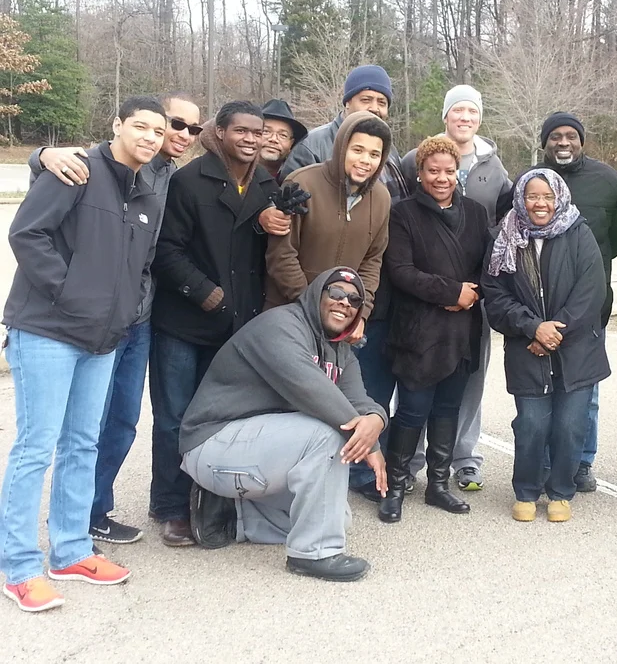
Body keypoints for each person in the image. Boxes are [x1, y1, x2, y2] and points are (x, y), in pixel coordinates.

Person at [0, 96, 166, 613]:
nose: (150, 137)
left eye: (158, 132)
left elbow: (144, 264)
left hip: (102, 340)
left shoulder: (148, 194)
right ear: (116, 125)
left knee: (82, 444)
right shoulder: (74, 169)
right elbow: (27, 233)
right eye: (141, 126)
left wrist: (128, 308)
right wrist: (71, 293)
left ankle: (70, 550)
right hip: (48, 330)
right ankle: (17, 565)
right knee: (36, 446)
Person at [24, 91, 202, 545]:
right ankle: (57, 530)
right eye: (172, 125)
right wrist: (40, 153)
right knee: (69, 431)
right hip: (80, 317)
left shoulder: (172, 179)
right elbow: (37, 220)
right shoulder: (95, 166)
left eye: (189, 130)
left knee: (120, 421)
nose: (180, 135)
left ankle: (92, 511)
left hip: (134, 319)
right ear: (122, 124)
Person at [179, 268, 387, 580]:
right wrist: (366, 440)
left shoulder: (342, 352)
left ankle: (232, 516)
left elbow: (359, 401)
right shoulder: (280, 326)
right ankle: (314, 554)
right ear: (317, 293)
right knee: (329, 435)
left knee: (335, 517)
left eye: (354, 299)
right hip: (212, 443)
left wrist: (376, 420)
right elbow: (313, 391)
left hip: (257, 453)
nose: (345, 303)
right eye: (336, 293)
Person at [148, 101, 283, 547]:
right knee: (174, 417)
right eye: (241, 130)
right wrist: (203, 291)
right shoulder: (190, 181)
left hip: (236, 326)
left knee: (219, 420)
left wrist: (278, 221)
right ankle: (170, 506)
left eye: (258, 132)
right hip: (184, 322)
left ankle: (211, 499)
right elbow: (166, 250)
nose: (251, 139)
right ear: (220, 132)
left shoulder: (266, 184)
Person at [502, 112, 617, 492]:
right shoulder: (527, 181)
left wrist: (594, 263)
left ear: (582, 140)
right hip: (533, 314)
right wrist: (533, 326)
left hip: (586, 308)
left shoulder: (607, 179)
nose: (563, 142)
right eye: (555, 136)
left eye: (571, 136)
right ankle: (541, 465)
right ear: (545, 142)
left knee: (582, 398)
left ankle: (580, 463)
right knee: (538, 401)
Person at [399, 85, 512, 492]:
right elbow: (401, 223)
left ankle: (463, 459)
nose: (465, 117)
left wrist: (476, 289)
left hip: (471, 297)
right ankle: (409, 463)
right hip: (424, 296)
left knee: (468, 380)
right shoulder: (417, 158)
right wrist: (442, 291)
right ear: (446, 116)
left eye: (472, 111)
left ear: (479, 118)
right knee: (417, 382)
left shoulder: (494, 168)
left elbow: (501, 232)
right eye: (457, 110)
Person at [481, 170, 609, 522]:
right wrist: (534, 328)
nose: (540, 203)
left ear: (559, 198)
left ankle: (561, 491)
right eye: (532, 196)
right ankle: (525, 489)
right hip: (527, 347)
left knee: (570, 425)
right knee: (532, 424)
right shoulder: (503, 237)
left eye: (547, 196)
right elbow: (495, 296)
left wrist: (555, 333)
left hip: (577, 350)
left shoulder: (578, 233)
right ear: (521, 198)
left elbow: (592, 291)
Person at [378, 136, 490, 523]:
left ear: (458, 171)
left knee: (448, 409)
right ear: (419, 172)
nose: (441, 178)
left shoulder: (475, 213)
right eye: (432, 171)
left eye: (448, 170)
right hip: (419, 330)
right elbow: (402, 272)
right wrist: (450, 291)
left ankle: (438, 485)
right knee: (412, 410)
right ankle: (394, 485)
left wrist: (469, 294)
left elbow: (487, 265)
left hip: (462, 327)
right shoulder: (402, 213)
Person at [265, 111, 392, 320]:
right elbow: (281, 255)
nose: (365, 160)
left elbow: (372, 261)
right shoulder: (302, 183)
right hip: (288, 313)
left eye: (374, 154)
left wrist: (360, 313)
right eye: (357, 150)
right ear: (342, 148)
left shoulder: (381, 199)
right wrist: (313, 306)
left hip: (341, 318)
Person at [279, 65, 405, 192]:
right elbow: (290, 200)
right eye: (366, 100)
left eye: (382, 103)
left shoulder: (389, 149)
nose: (374, 108)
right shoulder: (312, 147)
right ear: (347, 103)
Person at [259, 99, 307, 180]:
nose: (273, 139)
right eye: (266, 131)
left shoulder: (298, 178)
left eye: (283, 135)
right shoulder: (235, 173)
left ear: (291, 144)